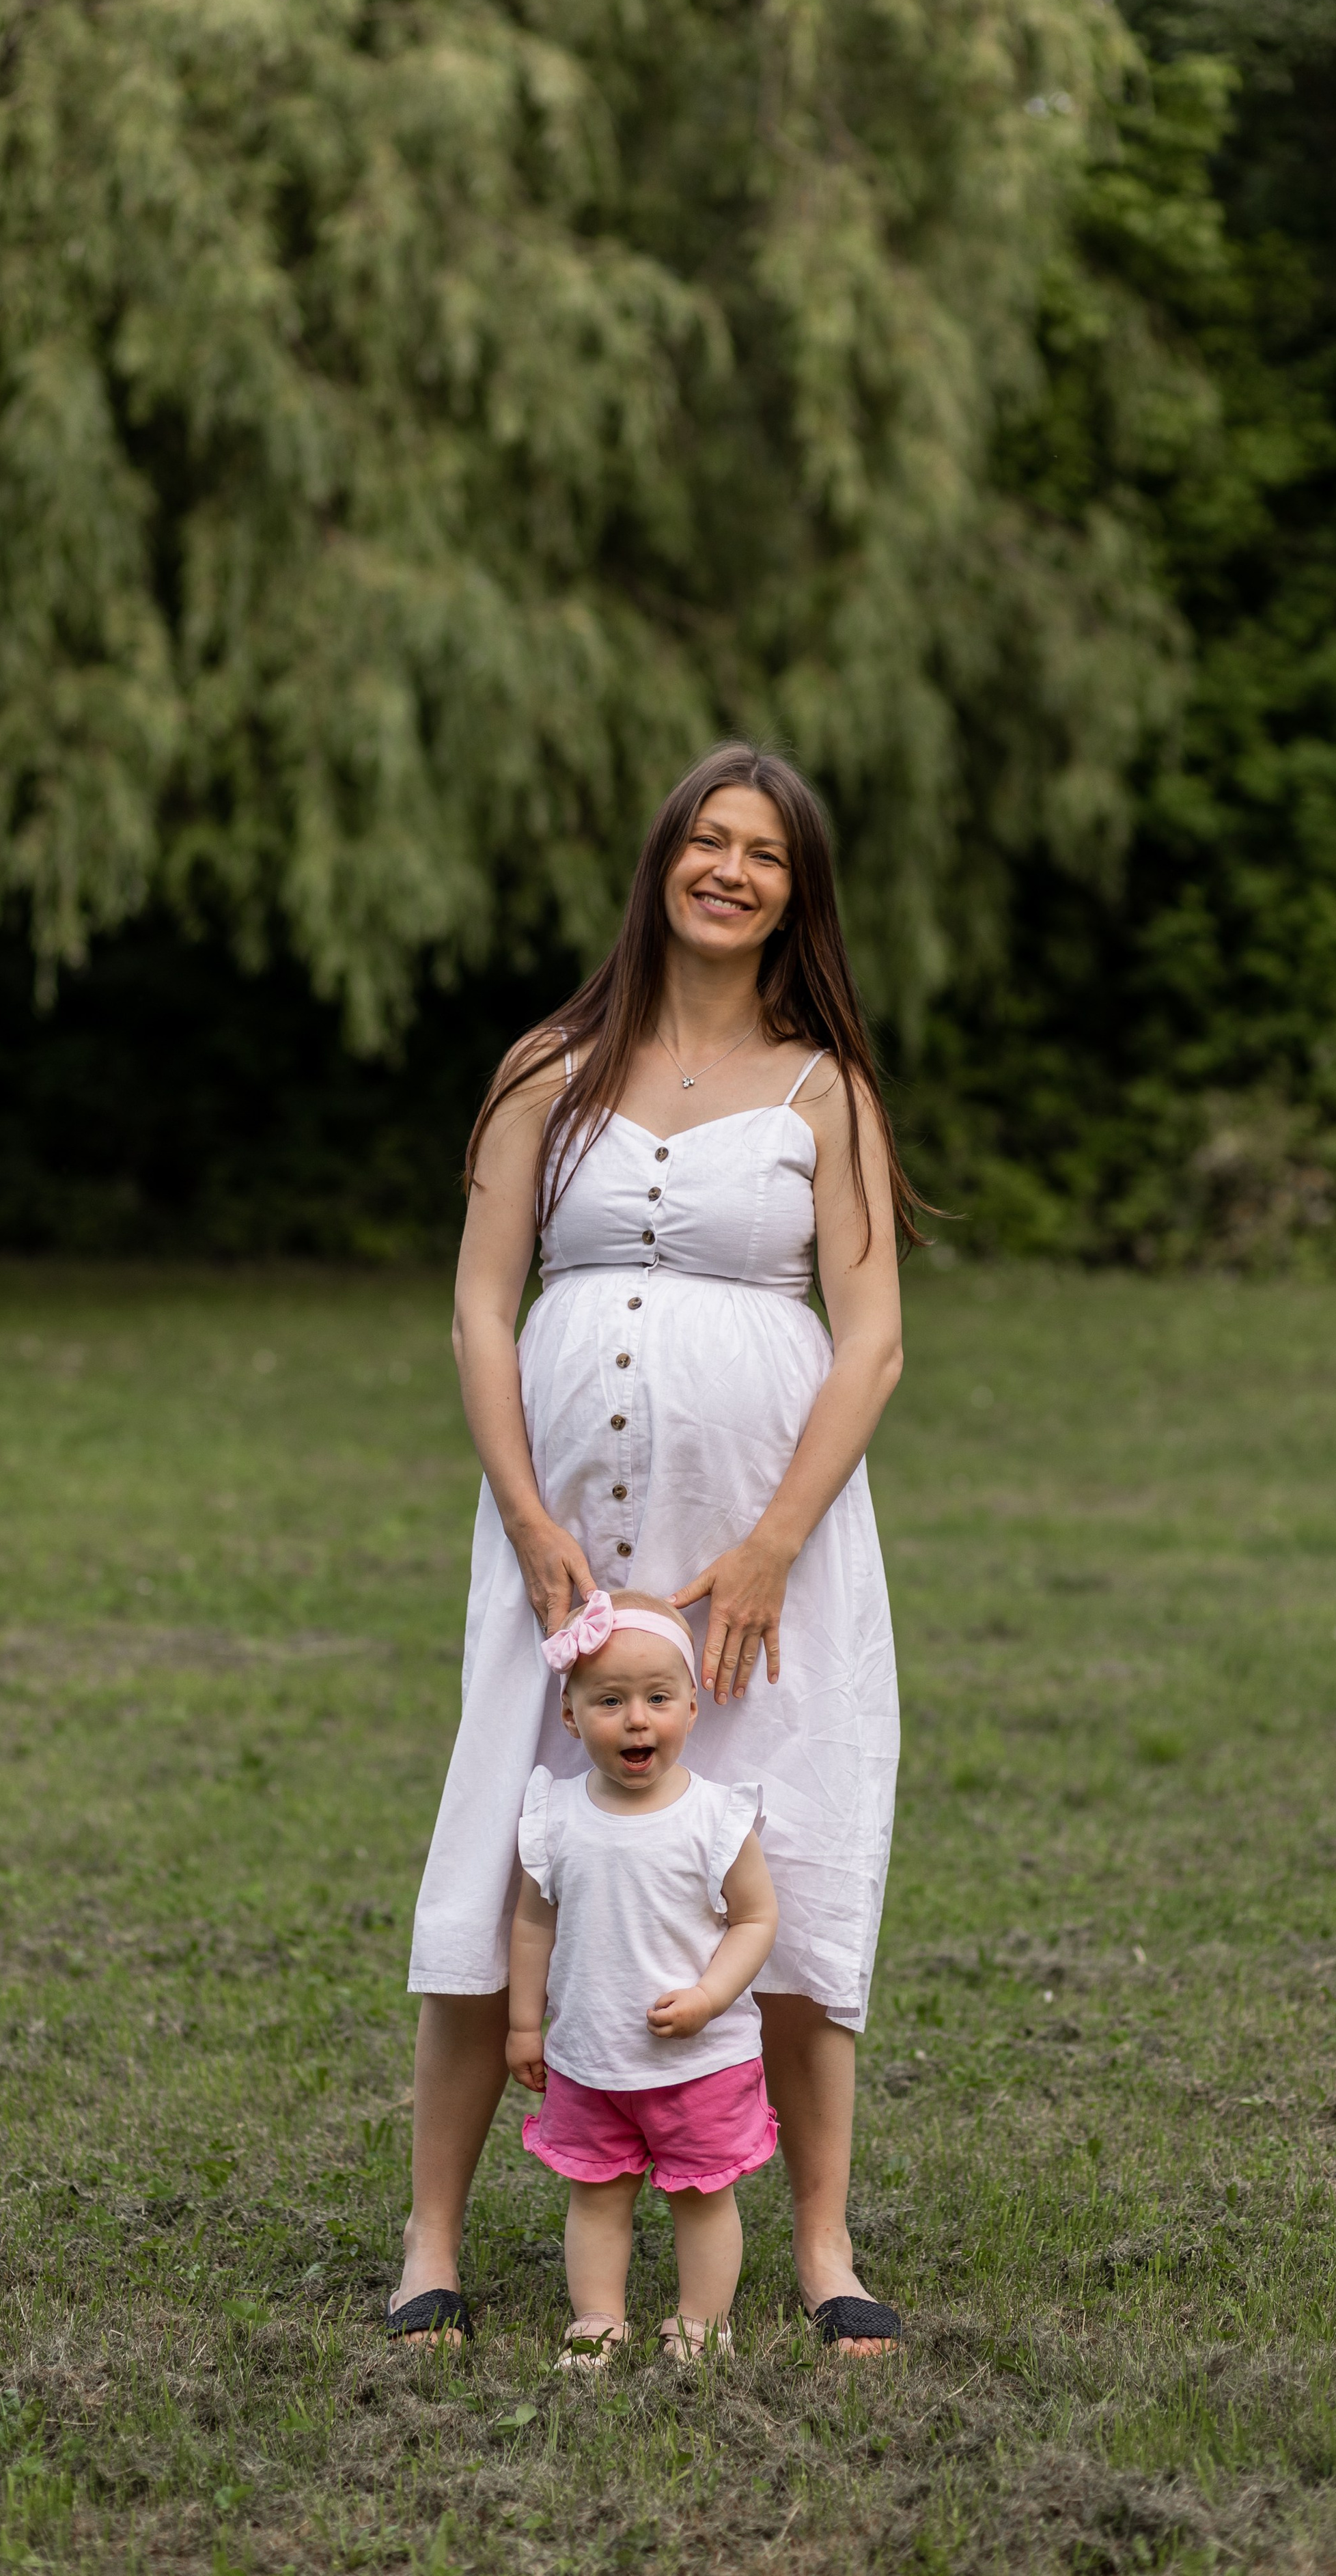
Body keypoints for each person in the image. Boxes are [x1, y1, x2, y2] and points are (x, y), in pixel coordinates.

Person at [391, 741, 918, 2357]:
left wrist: (770, 1545)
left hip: (760, 1548)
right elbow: (483, 1304)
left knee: (790, 1850)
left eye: (763, 851)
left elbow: (873, 1335)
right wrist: (526, 1514)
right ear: (660, 864)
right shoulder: (545, 1064)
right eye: (704, 840)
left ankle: (821, 2246)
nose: (729, 868)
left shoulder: (824, 1085)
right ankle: (428, 2241)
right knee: (502, 1842)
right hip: (558, 1546)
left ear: (793, 891)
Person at [508, 1587, 779, 2366]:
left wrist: (708, 1997)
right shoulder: (554, 1816)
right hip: (591, 2058)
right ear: (569, 1715)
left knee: (701, 2195)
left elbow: (755, 1920)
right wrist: (526, 2023)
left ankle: (701, 2322)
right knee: (595, 2195)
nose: (637, 1719)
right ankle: (597, 2318)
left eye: (658, 1698)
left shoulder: (715, 1819)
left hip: (700, 2061)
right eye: (610, 1701)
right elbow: (533, 1922)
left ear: (692, 1708)